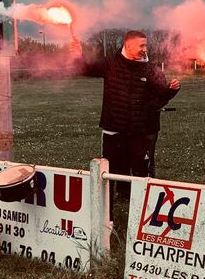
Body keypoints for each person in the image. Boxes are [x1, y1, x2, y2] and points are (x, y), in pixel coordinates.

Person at [73, 31, 181, 201]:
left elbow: (160, 96)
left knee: (140, 171)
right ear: (128, 45)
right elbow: (85, 69)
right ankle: (108, 206)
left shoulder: (151, 69)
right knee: (110, 170)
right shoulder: (110, 64)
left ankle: (140, 203)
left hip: (139, 132)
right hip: (113, 130)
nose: (145, 49)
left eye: (146, 45)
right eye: (141, 45)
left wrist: (171, 90)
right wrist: (77, 55)